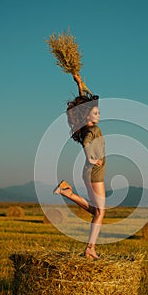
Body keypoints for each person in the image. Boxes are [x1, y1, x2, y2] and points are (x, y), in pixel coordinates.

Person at [53, 95, 106, 260]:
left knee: (96, 210)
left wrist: (78, 79)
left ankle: (67, 192)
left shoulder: (86, 129)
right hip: (95, 174)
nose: (99, 115)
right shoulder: (93, 130)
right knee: (100, 212)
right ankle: (90, 248)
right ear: (87, 115)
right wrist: (91, 158)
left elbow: (85, 140)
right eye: (95, 112)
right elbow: (86, 144)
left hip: (88, 173)